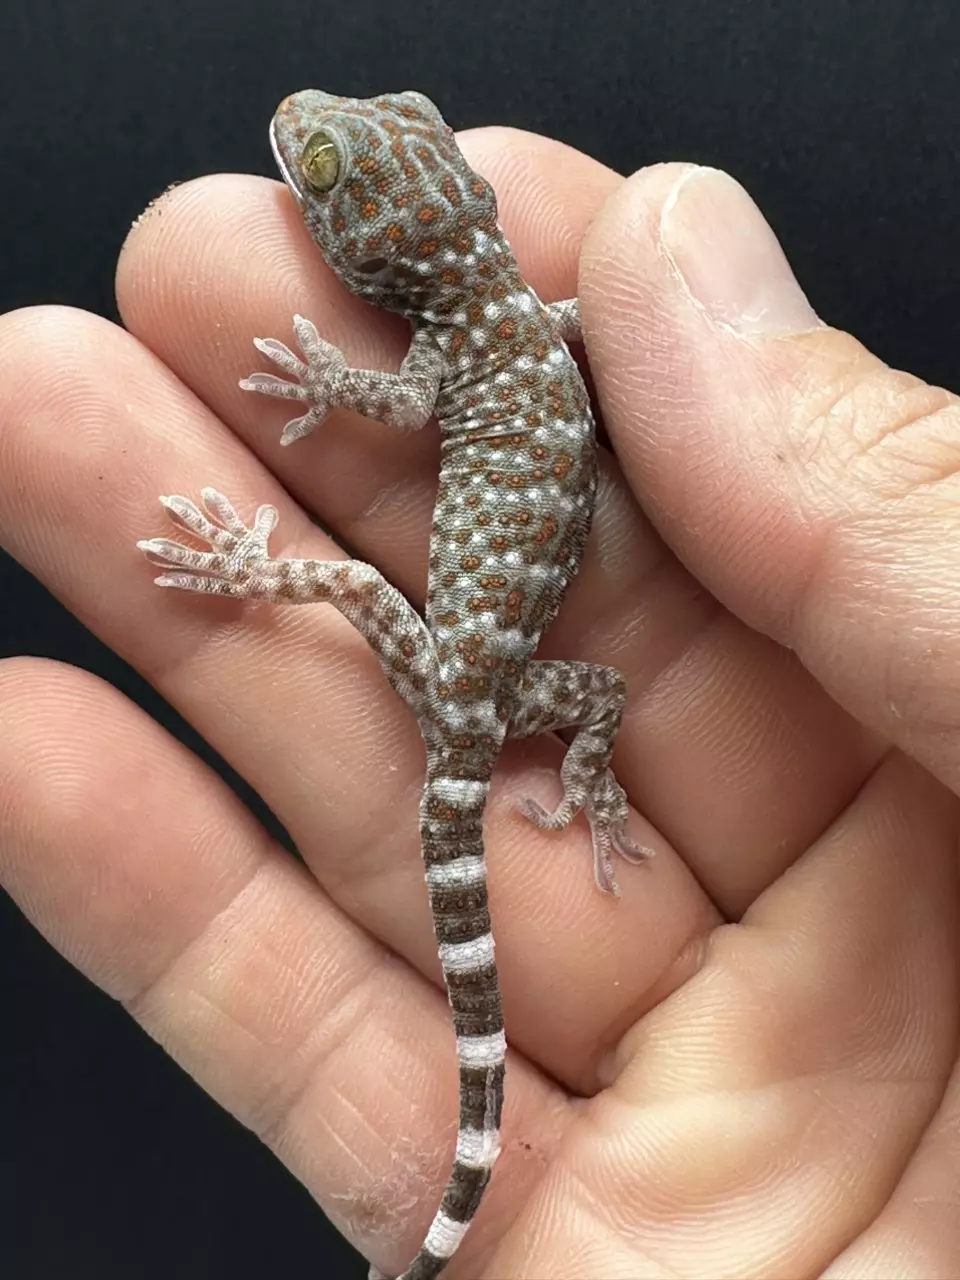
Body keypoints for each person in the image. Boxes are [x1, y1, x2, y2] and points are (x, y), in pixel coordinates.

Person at [1, 131, 957, 1278]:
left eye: (330, 183)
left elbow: (402, 403)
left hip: (467, 687)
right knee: (594, 691)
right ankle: (466, 1177)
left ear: (378, 261)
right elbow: (504, 364)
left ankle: (251, 577)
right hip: (498, 694)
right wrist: (584, 780)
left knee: (362, 581)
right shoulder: (520, 317)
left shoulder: (463, 341)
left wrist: (330, 386)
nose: (312, 138)